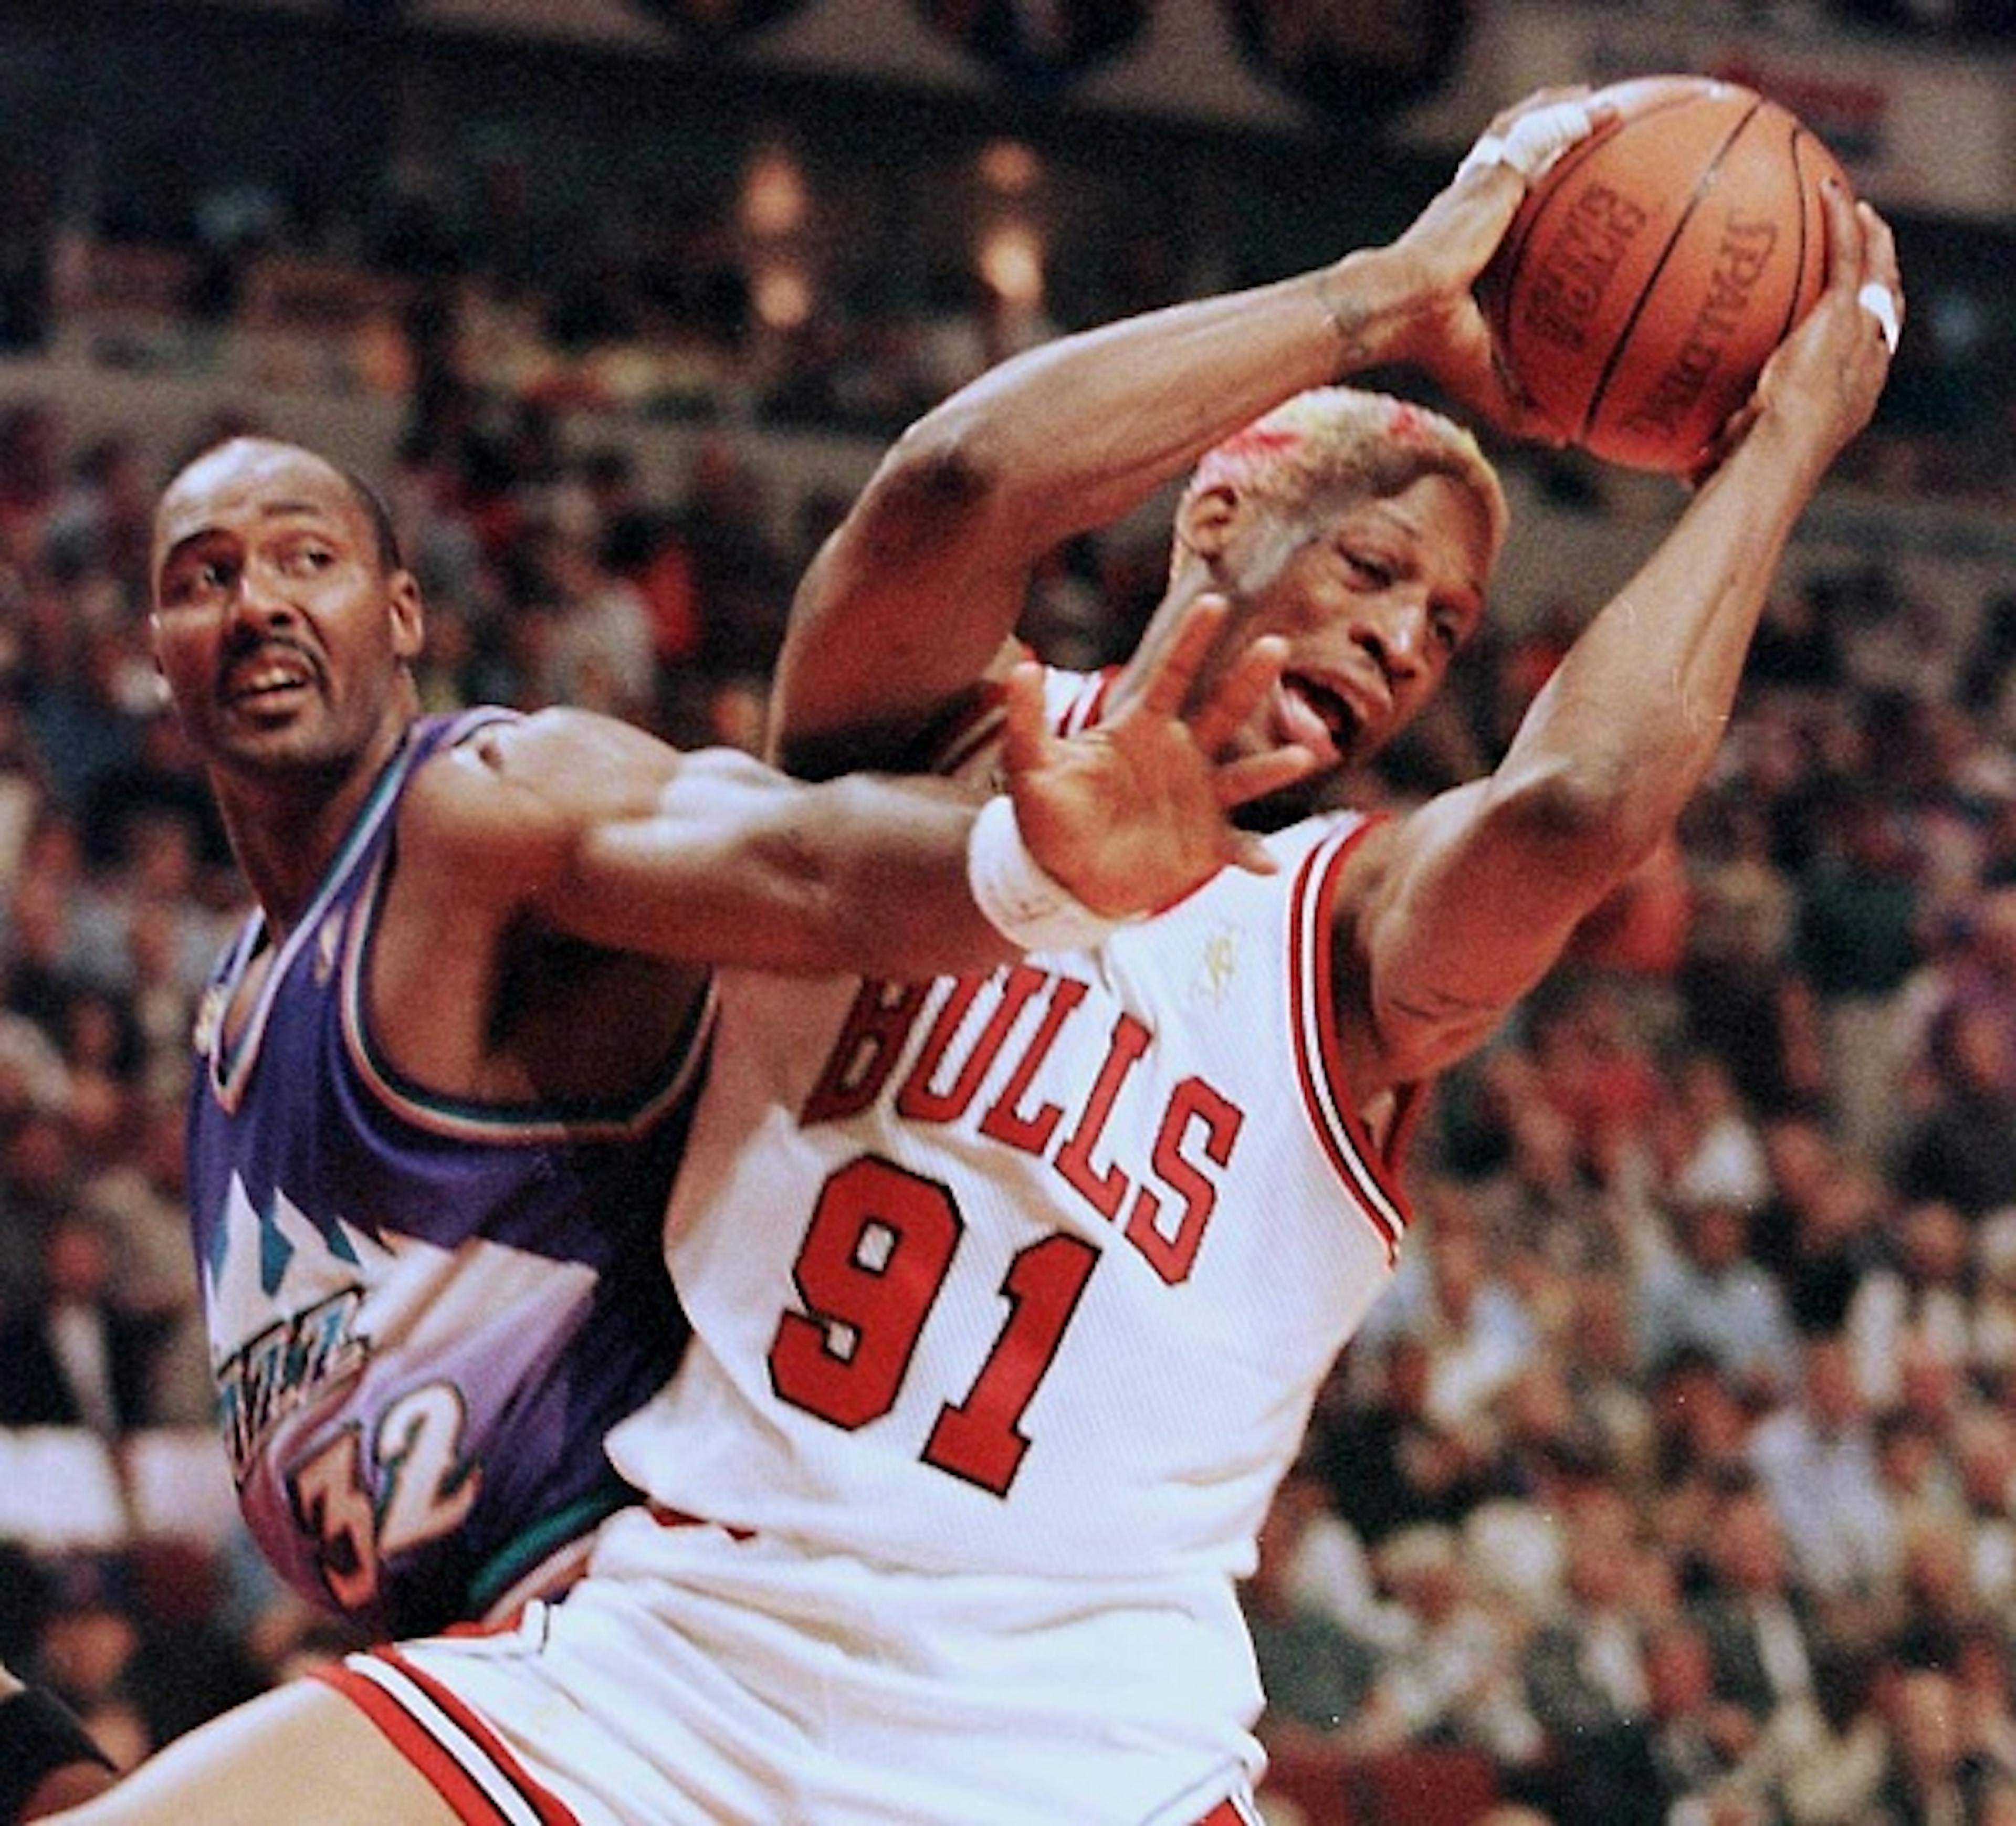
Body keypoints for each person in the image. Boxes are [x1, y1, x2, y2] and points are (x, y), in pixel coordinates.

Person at [20, 81, 1900, 1824]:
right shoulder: (935, 749)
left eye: (1447, 627)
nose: (1411, 641)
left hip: (1094, 1759)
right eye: (1374, 569)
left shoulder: (1341, 940)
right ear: (1221, 509)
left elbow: (1581, 806)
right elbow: (945, 491)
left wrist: (1789, 439)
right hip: (681, 1665)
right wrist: (1384, 294)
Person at [0, 429, 1307, 1818]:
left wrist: (1019, 870)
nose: (254, 598)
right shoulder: (235, 1014)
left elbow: (790, 859)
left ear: (404, 614)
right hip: (496, 1679)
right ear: (154, 650)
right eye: (205, 576)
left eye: (303, 559)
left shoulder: (495, 801)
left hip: (679, 1660)